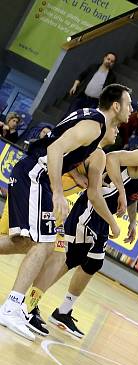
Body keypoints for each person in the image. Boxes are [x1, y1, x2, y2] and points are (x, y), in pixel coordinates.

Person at [0, 84, 131, 340]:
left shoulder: (90, 120)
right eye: (128, 104)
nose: (131, 110)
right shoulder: (95, 125)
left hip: (38, 177)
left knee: (30, 243)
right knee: (43, 243)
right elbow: (54, 148)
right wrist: (59, 192)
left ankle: (18, 306)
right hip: (35, 176)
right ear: (116, 106)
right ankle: (12, 306)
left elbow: (58, 142)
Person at [31, 128, 138, 337]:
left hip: (104, 216)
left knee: (93, 263)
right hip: (92, 209)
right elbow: (111, 157)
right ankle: (30, 302)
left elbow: (134, 194)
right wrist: (120, 193)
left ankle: (63, 311)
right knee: (69, 257)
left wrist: (132, 221)